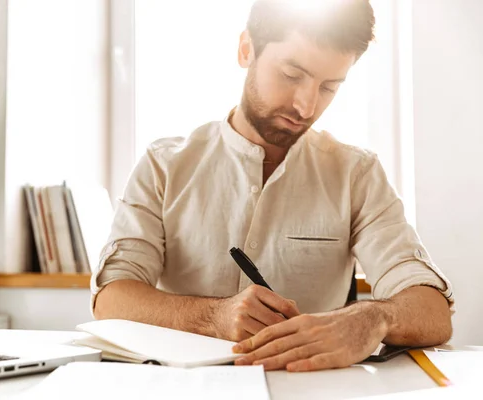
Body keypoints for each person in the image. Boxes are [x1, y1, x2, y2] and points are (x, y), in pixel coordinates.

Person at [91, 0, 454, 372]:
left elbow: (433, 311)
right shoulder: (163, 165)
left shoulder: (356, 174)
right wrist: (213, 316)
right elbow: (112, 300)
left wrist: (373, 319)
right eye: (292, 74)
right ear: (246, 48)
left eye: (329, 87)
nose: (306, 106)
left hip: (307, 389)